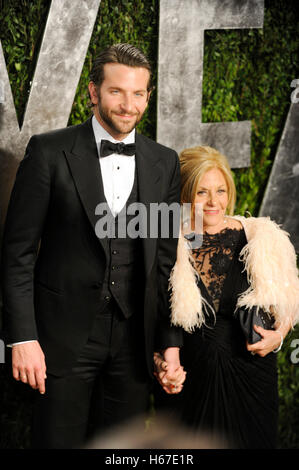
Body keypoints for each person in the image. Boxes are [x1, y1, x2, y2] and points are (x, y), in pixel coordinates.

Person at [1, 43, 184, 449]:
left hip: (134, 345)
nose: (128, 104)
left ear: (149, 97)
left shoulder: (165, 161)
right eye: (117, 91)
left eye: (138, 94)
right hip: (62, 340)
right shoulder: (48, 151)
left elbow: (166, 265)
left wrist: (168, 344)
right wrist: (22, 338)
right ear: (92, 91)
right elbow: (17, 254)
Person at [154, 145, 299, 448]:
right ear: (184, 194)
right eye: (201, 192)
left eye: (220, 190)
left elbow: (289, 300)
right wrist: (162, 362)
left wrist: (279, 335)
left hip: (252, 377)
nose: (213, 202)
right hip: (191, 380)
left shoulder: (261, 238)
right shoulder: (166, 245)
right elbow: (155, 318)